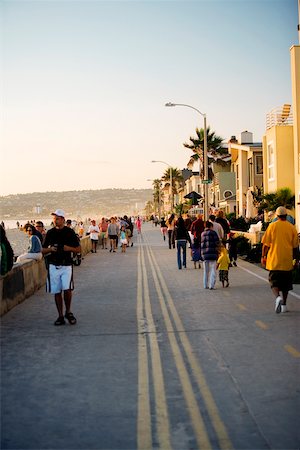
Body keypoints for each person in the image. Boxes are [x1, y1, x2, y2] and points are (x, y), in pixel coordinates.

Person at [42, 209, 81, 326]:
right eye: (54, 219)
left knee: (67, 289)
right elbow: (42, 250)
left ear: (63, 219)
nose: (55, 221)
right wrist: (50, 249)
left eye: (57, 218)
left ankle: (68, 312)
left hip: (66, 265)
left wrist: (67, 248)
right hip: (53, 266)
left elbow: (78, 249)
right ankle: (60, 316)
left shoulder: (69, 232)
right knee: (57, 291)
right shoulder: (50, 233)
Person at [261, 206, 299, 314]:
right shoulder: (291, 227)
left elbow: (265, 245)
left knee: (274, 282)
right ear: (286, 216)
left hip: (274, 261)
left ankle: (277, 297)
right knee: (286, 285)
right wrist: (296, 260)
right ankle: (284, 305)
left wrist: (263, 256)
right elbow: (295, 247)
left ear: (277, 216)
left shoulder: (272, 226)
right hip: (287, 261)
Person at [201, 221, 220, 290]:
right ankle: (211, 285)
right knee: (213, 270)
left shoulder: (202, 234)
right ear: (211, 226)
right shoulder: (213, 233)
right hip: (212, 254)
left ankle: (205, 285)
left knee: (206, 271)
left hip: (204, 254)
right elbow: (217, 243)